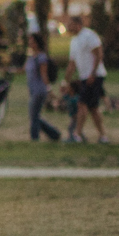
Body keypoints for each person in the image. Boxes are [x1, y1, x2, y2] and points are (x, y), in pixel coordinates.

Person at [65, 14, 107, 144]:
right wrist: (66, 81)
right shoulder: (74, 41)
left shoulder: (89, 36)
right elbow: (72, 64)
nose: (68, 26)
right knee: (93, 108)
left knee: (81, 104)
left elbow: (98, 54)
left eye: (70, 23)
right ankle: (102, 135)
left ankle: (76, 134)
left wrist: (93, 74)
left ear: (78, 24)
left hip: (94, 76)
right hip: (84, 77)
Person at [24, 32, 61, 142]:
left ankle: (34, 138)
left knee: (34, 115)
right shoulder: (31, 57)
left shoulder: (41, 57)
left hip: (39, 90)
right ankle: (54, 134)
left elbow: (44, 74)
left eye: (32, 41)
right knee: (34, 115)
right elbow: (24, 70)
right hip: (32, 90)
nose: (30, 43)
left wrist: (48, 89)